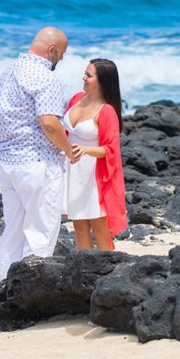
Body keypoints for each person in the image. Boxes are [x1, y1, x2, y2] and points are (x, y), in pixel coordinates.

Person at [0, 26, 77, 280]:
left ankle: (5, 288)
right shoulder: (45, 77)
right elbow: (49, 124)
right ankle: (28, 295)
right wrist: (69, 150)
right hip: (37, 163)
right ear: (51, 50)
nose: (61, 59)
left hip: (7, 162)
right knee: (40, 232)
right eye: (61, 53)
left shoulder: (8, 72)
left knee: (14, 232)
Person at [61, 58, 127, 251]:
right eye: (85, 73)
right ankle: (85, 271)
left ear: (102, 81)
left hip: (94, 175)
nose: (83, 77)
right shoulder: (76, 99)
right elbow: (63, 132)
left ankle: (109, 271)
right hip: (72, 171)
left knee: (99, 227)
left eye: (89, 75)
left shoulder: (106, 111)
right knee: (79, 225)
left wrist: (86, 150)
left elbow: (111, 150)